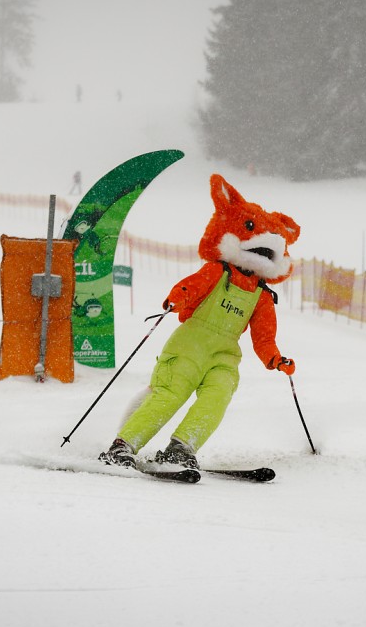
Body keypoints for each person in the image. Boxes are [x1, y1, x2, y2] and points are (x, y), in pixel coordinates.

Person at [99, 173, 301, 470]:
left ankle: (181, 448)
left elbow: (263, 336)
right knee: (170, 394)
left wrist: (275, 359)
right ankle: (123, 446)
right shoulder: (218, 272)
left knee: (218, 396)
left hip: (223, 355)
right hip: (189, 346)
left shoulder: (261, 295)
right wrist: (177, 297)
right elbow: (191, 286)